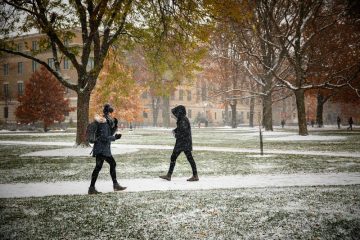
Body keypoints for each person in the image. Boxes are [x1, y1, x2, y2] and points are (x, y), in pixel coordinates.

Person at [88, 103, 126, 194]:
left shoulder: (106, 121)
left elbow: (108, 133)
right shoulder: (104, 122)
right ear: (108, 112)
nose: (112, 115)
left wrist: (115, 127)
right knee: (105, 165)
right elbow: (104, 138)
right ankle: (113, 185)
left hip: (103, 148)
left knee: (102, 166)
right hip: (101, 149)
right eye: (111, 112)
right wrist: (115, 138)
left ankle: (92, 188)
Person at [159, 105, 199, 181]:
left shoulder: (182, 120)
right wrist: (175, 130)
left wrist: (176, 134)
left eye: (175, 113)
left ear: (179, 113)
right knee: (188, 158)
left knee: (175, 157)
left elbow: (183, 132)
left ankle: (169, 175)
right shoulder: (182, 119)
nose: (174, 115)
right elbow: (181, 128)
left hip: (182, 143)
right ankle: (195, 175)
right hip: (184, 142)